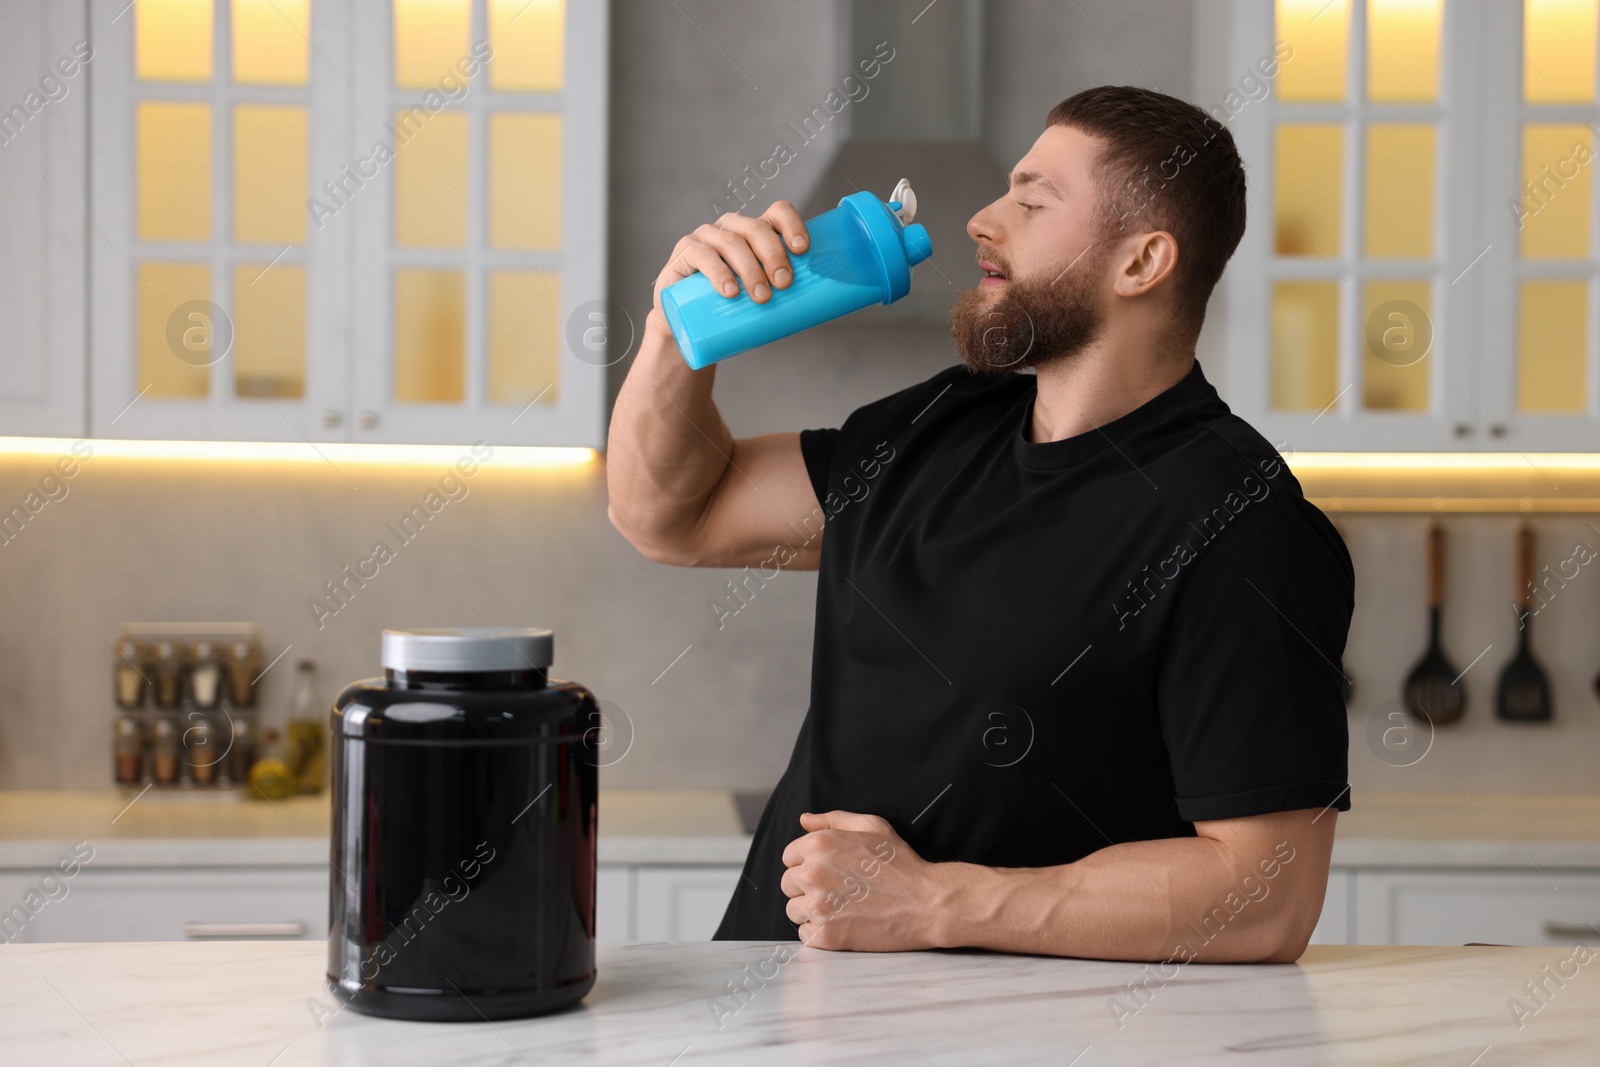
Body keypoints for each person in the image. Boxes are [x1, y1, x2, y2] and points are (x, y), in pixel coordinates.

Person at [606, 85, 1353, 963]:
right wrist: (673, 333)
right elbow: (672, 516)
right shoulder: (941, 425)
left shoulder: (1239, 522)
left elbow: (1267, 896)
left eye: (1034, 201)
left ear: (1142, 264)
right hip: (778, 1001)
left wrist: (935, 901)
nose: (981, 220)